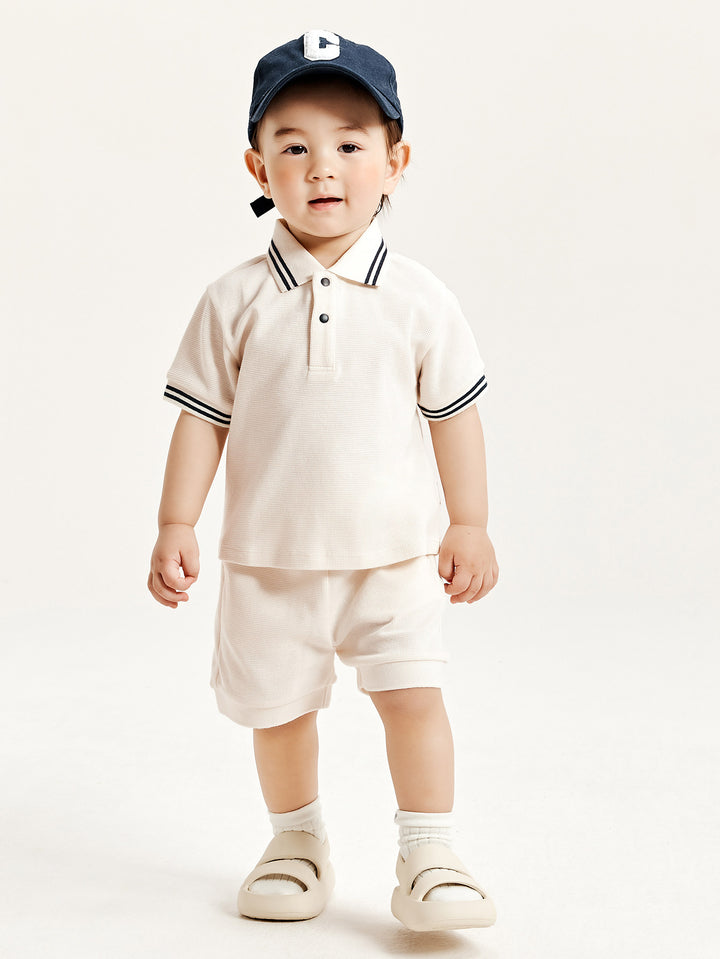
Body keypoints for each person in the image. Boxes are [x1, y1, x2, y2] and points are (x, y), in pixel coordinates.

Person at [148, 29, 499, 932]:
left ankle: (430, 851)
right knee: (278, 712)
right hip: (269, 560)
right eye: (294, 146)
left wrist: (469, 522)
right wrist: (176, 522)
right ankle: (295, 841)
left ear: (396, 162)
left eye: (349, 143)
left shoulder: (421, 298)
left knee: (413, 698)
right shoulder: (234, 299)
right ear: (258, 168)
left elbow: (454, 416)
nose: (323, 167)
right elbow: (203, 419)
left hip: (394, 558)